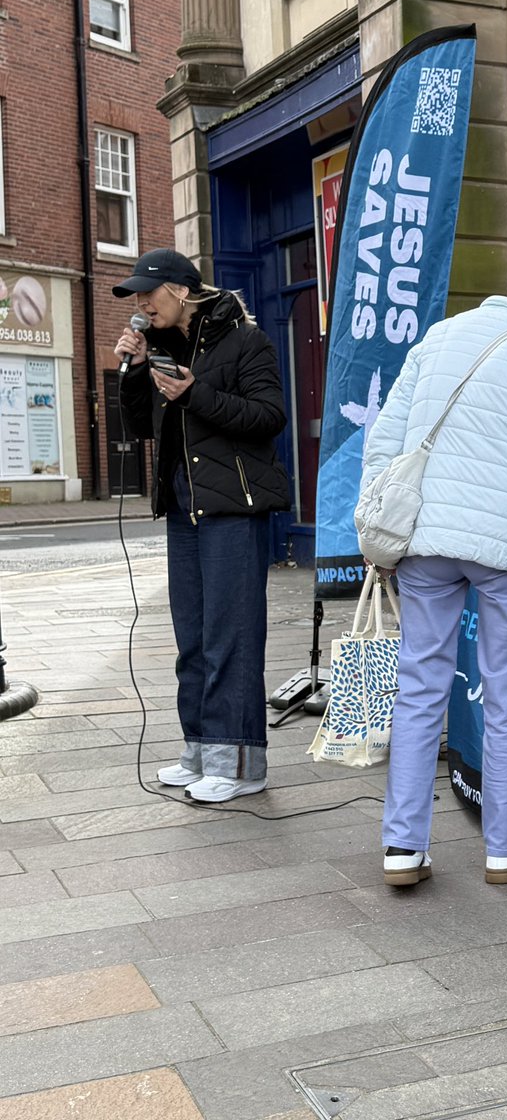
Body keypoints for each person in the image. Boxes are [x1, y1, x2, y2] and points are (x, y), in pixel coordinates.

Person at [361, 238, 507, 888]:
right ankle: (506, 849)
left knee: (417, 690)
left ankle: (403, 849)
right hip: (505, 550)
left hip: (424, 541)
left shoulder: (437, 339)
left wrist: (378, 530)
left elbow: (383, 442)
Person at [113, 248, 290, 803]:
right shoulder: (161, 347)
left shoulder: (246, 342)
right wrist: (135, 371)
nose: (141, 303)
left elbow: (269, 417)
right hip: (184, 511)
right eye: (136, 296)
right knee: (192, 639)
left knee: (230, 637)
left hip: (234, 510)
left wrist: (197, 392)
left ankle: (239, 763)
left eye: (149, 292)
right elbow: (142, 426)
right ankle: (199, 750)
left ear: (182, 291)